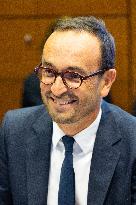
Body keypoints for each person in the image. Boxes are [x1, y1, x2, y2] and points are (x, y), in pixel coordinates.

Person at [0, 16, 136, 205]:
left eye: (73, 76)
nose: (56, 89)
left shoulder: (132, 141)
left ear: (106, 82)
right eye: (48, 71)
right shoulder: (14, 132)